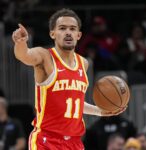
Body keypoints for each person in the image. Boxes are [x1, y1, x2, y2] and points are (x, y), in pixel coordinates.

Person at [12, 8, 125, 150]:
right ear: (52, 33)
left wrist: (101, 111)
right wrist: (20, 43)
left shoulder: (83, 63)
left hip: (74, 142)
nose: (68, 32)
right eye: (62, 28)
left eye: (72, 29)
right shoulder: (44, 56)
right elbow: (24, 55)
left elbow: (75, 102)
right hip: (47, 140)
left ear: (79, 35)